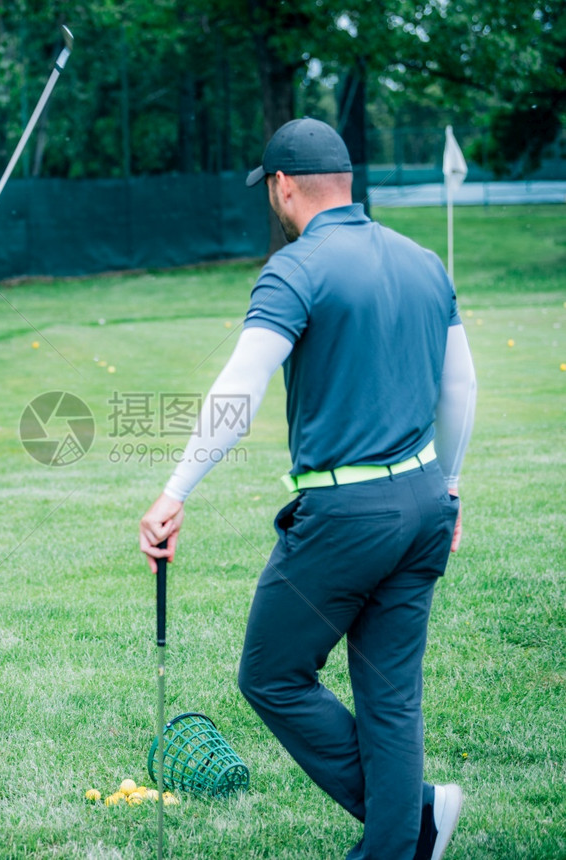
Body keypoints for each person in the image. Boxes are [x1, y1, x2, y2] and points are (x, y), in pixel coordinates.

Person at [140, 118, 476, 860]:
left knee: (272, 673)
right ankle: (403, 835)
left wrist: (175, 489)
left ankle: (412, 816)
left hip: (347, 514)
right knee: (390, 701)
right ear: (347, 181)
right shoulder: (423, 259)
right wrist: (449, 488)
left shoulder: (295, 267)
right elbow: (461, 388)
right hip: (423, 503)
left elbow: (241, 390)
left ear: (283, 186)